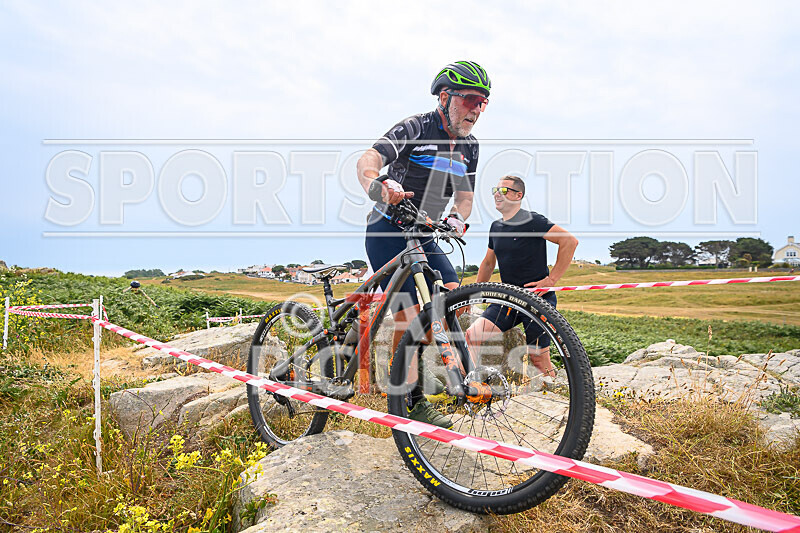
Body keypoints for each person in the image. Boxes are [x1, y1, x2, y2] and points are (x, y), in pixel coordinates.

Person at [356, 61, 491, 427]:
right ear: (445, 97)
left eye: (483, 103)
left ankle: (459, 378)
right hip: (388, 229)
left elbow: (465, 196)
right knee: (410, 317)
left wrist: (458, 218)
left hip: (426, 233)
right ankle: (409, 402)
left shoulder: (470, 147)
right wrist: (377, 185)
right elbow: (368, 159)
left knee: (451, 296)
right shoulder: (415, 127)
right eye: (470, 100)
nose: (477, 110)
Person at [465, 175, 578, 384]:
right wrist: (474, 295)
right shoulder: (496, 227)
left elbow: (569, 242)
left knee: (538, 358)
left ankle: (558, 395)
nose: (498, 194)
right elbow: (489, 263)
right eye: (495, 190)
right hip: (508, 299)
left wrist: (551, 279)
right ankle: (473, 388)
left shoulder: (533, 221)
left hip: (537, 299)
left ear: (519, 195)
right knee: (472, 336)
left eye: (504, 191)